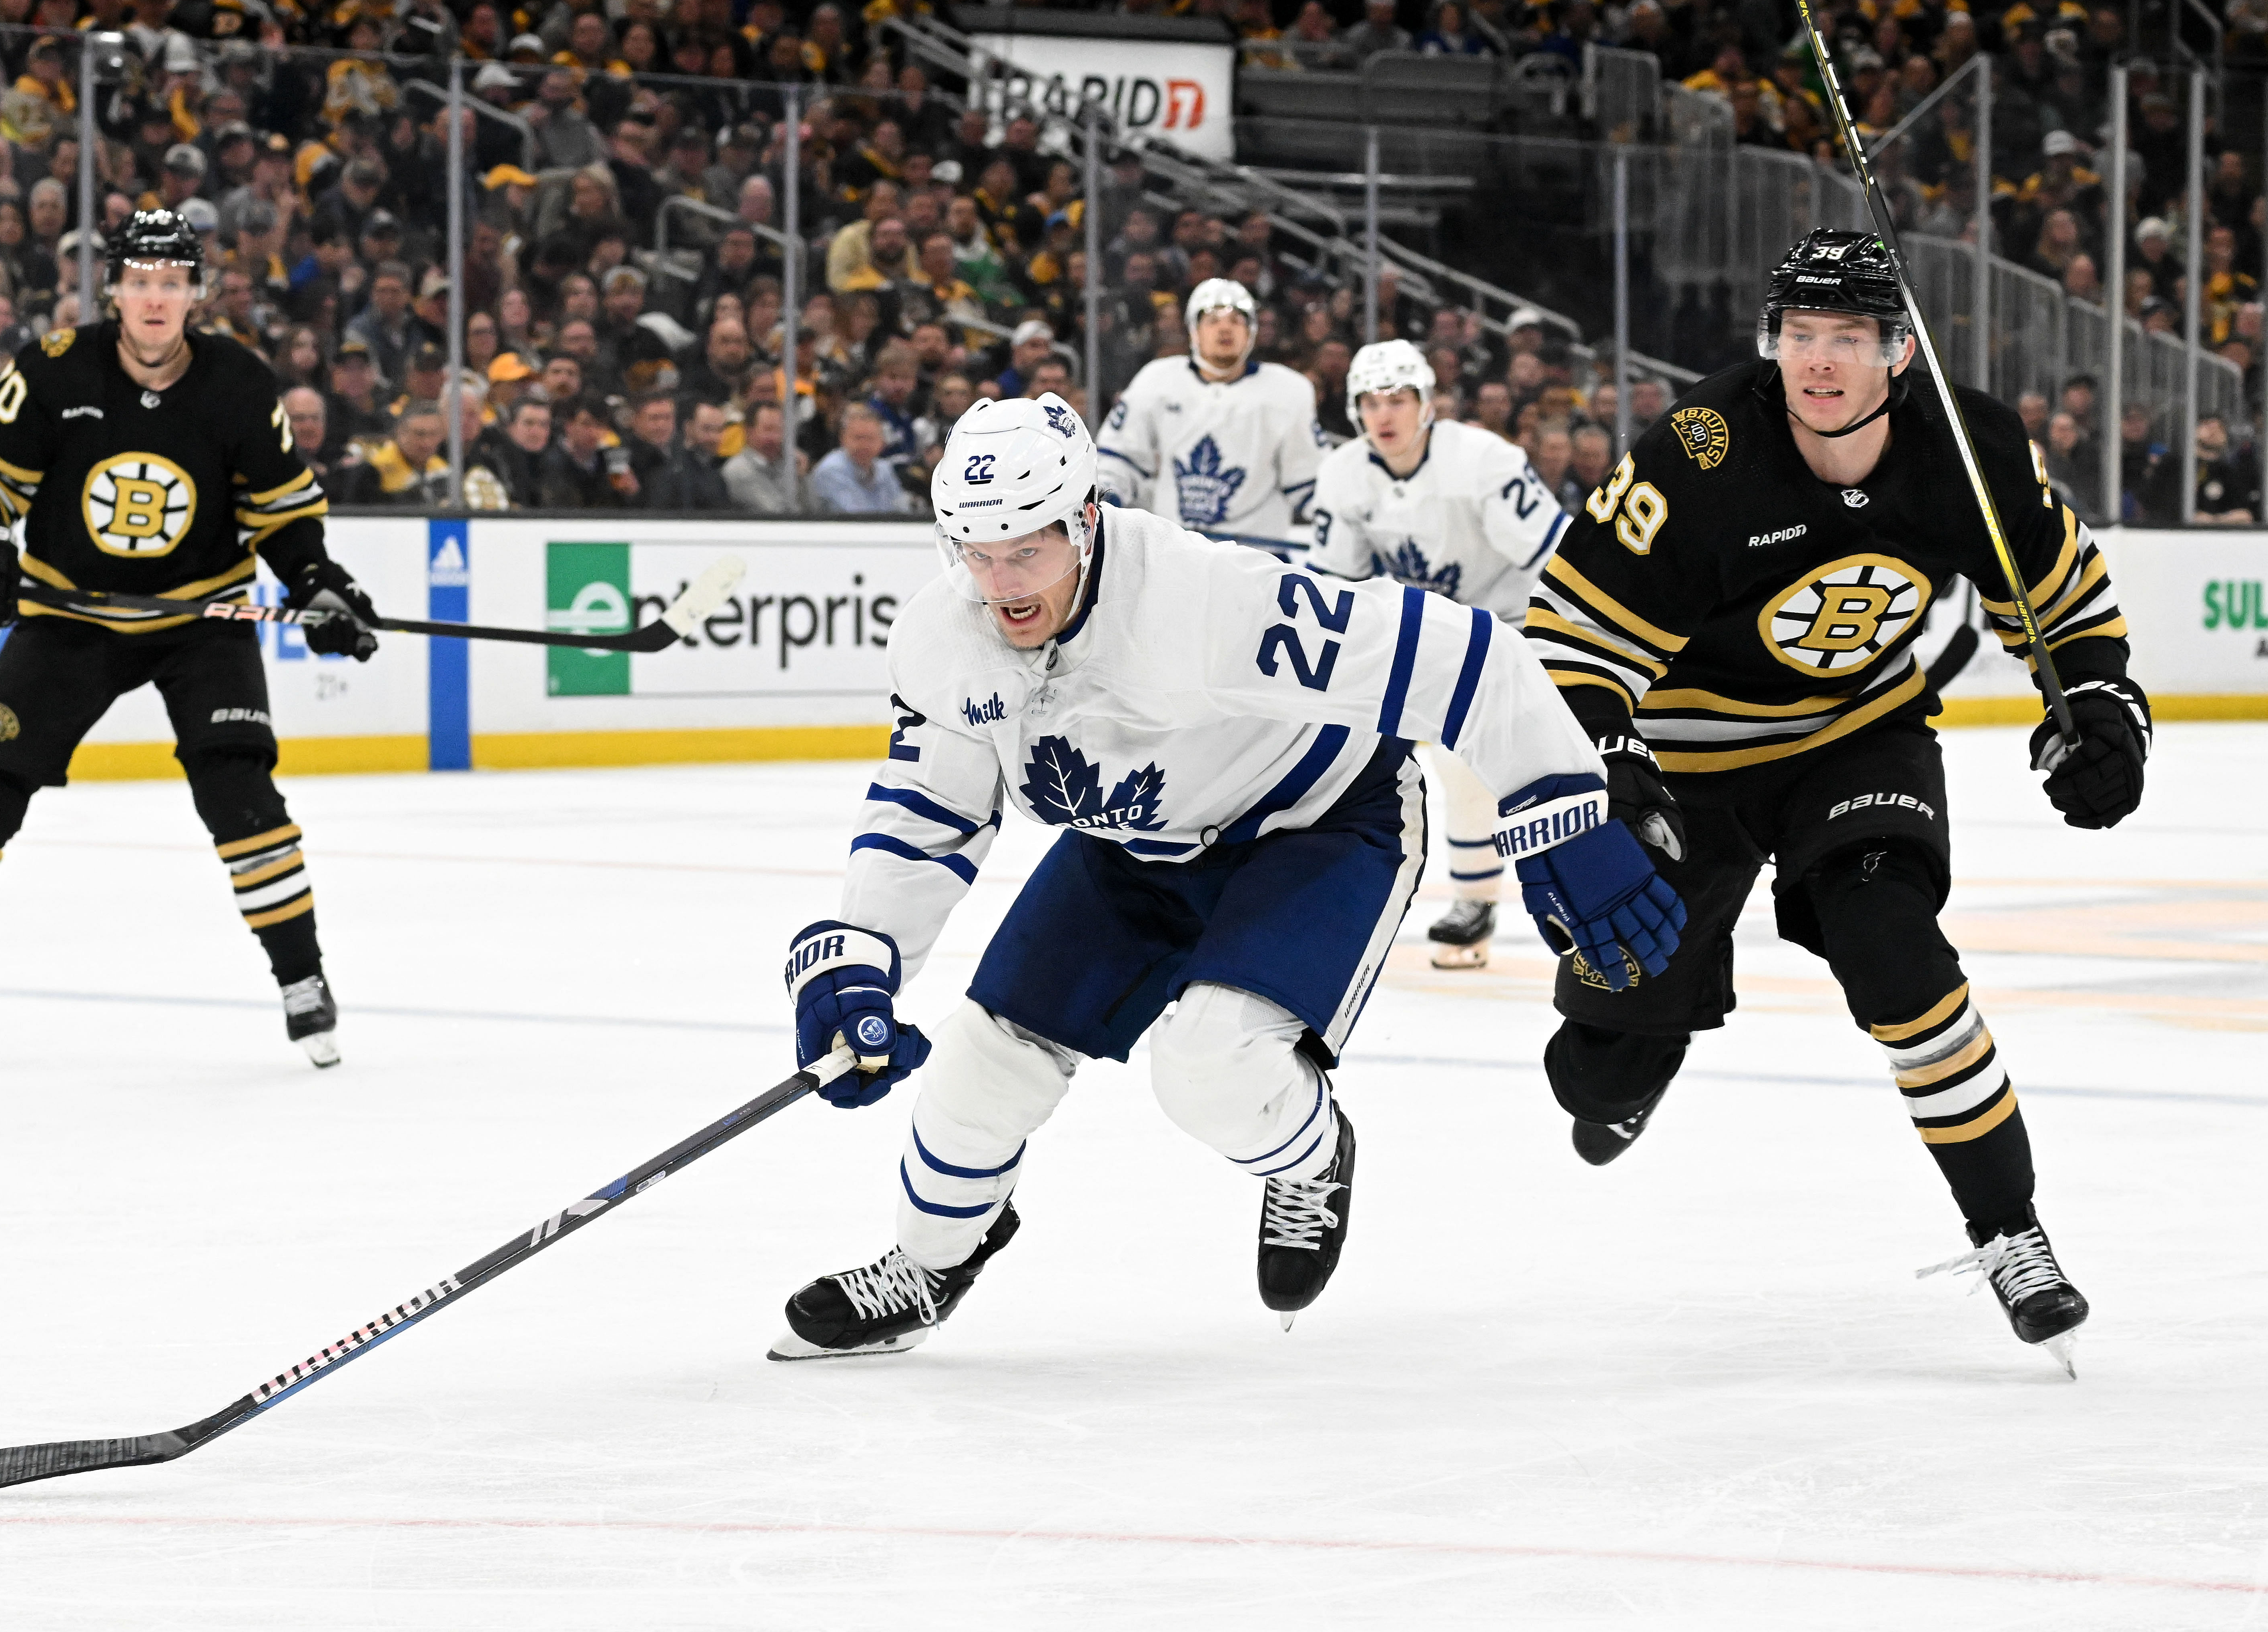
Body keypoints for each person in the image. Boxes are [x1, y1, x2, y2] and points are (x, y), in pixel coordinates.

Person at [767, 395, 1682, 1358]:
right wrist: (861, 951)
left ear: (1082, 520)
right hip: (1136, 846)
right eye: (975, 552)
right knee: (979, 1059)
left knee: (1208, 1068)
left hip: (1315, 825)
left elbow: (1469, 658)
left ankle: (1312, 1154)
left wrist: (1563, 811)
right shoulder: (942, 633)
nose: (998, 584)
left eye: (1024, 552)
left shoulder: (1204, 602)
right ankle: (926, 1266)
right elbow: (927, 812)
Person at [1523, 231, 2144, 1372]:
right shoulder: (1699, 451)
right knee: (1591, 1074)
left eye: (1847, 338)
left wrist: (2102, 701)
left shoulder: (1969, 444)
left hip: (1855, 736)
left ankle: (2011, 1229)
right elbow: (1570, 633)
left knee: (1898, 954)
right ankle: (1647, 1045)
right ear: (1773, 345)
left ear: (1897, 353)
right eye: (1801, 335)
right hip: (1688, 767)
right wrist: (1608, 757)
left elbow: (2059, 598)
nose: (1819, 361)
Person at [0, 210, 378, 1069]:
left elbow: (281, 516)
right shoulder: (57, 368)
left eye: (173, 283)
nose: (156, 298)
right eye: (141, 281)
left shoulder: (238, 382)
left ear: (195, 294)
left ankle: (302, 980)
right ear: (115, 291)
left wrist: (317, 581)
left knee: (237, 788)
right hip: (69, 616)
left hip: (200, 619)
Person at [1311, 341, 1574, 967]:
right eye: (1371, 402)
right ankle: (1460, 901)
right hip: (1426, 633)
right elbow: (1333, 586)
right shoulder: (1343, 474)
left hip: (1517, 624)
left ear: (1427, 404)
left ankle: (1546, 889)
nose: (1385, 414)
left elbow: (1558, 557)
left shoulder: (1483, 460)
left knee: (1517, 761)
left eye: (1398, 399)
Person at [1095, 278, 1328, 558]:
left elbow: (1310, 481)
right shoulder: (1156, 380)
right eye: (1212, 320)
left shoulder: (1288, 391)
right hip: (1175, 552)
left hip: (1258, 558)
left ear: (1251, 331)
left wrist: (1342, 519)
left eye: (1236, 320)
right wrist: (1105, 501)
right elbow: (1119, 459)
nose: (1225, 327)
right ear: (1194, 331)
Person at [810, 402, 918, 513]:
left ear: (882, 442)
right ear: (843, 438)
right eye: (858, 438)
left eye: (871, 439)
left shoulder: (884, 469)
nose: (864, 445)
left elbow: (900, 507)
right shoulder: (831, 470)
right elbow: (858, 516)